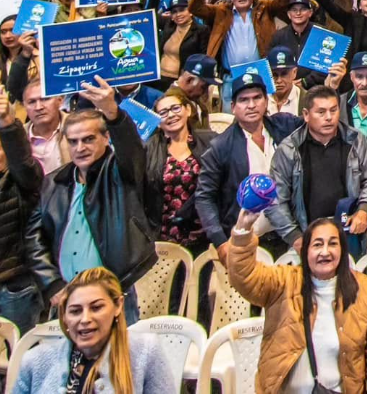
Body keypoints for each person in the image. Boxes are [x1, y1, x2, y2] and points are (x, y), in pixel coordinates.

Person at [27, 76, 155, 324]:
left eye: (88, 139)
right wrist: (52, 284)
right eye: (73, 141)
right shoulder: (53, 182)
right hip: (67, 299)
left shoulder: (121, 172)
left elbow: (132, 150)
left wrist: (112, 113)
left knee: (119, 363)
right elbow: (34, 239)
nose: (80, 147)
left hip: (113, 294)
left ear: (106, 139)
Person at [227, 208, 367, 393]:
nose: (325, 252)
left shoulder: (365, 289)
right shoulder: (283, 281)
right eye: (317, 245)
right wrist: (243, 229)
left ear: (342, 249)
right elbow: (244, 278)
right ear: (305, 250)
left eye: (333, 244)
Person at [11, 267, 175, 394]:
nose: (85, 319)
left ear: (118, 306)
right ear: (65, 317)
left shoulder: (146, 352)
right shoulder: (35, 361)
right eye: (75, 311)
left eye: (96, 308)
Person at [195, 72, 303, 261]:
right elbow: (204, 197)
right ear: (233, 107)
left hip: (290, 238)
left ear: (265, 101)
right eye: (244, 100)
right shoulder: (220, 147)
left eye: (257, 98)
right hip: (248, 241)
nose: (251, 105)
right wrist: (220, 241)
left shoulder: (284, 127)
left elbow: (316, 125)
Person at [266, 85, 367, 256]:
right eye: (321, 112)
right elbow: (275, 200)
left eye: (333, 110)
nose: (329, 117)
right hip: (307, 237)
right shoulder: (289, 148)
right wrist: (295, 237)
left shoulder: (355, 139)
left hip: (349, 235)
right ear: (306, 115)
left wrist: (363, 210)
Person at [189, 0, 293, 86]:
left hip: (261, 74)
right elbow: (194, 8)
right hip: (230, 77)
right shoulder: (221, 11)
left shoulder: (265, 7)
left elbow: (287, 1)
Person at [0, 90, 46, 331]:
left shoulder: (22, 179)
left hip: (14, 287)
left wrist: (7, 124)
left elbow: (23, 164)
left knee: (19, 360)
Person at [145, 91, 214, 251]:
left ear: (188, 110)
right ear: (157, 121)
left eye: (175, 108)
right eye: (163, 112)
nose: (170, 115)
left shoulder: (210, 141)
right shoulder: (149, 149)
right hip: (162, 236)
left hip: (202, 232)